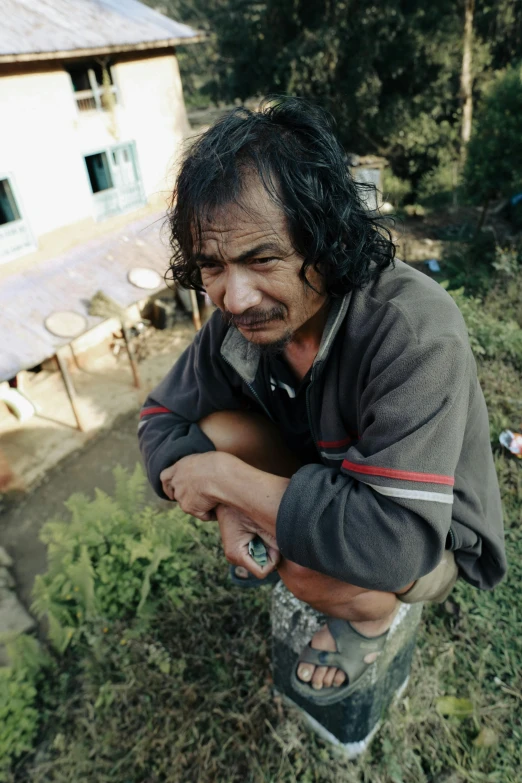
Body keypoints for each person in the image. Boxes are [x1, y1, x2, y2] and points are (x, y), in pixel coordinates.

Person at [138, 98, 506, 705]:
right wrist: (234, 505)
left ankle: (366, 621)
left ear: (327, 241)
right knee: (216, 427)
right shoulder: (236, 328)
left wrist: (227, 479)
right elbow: (160, 418)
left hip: (426, 535)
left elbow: (394, 544)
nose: (233, 296)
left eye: (262, 259)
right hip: (329, 480)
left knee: (306, 565)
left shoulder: (412, 330)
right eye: (212, 266)